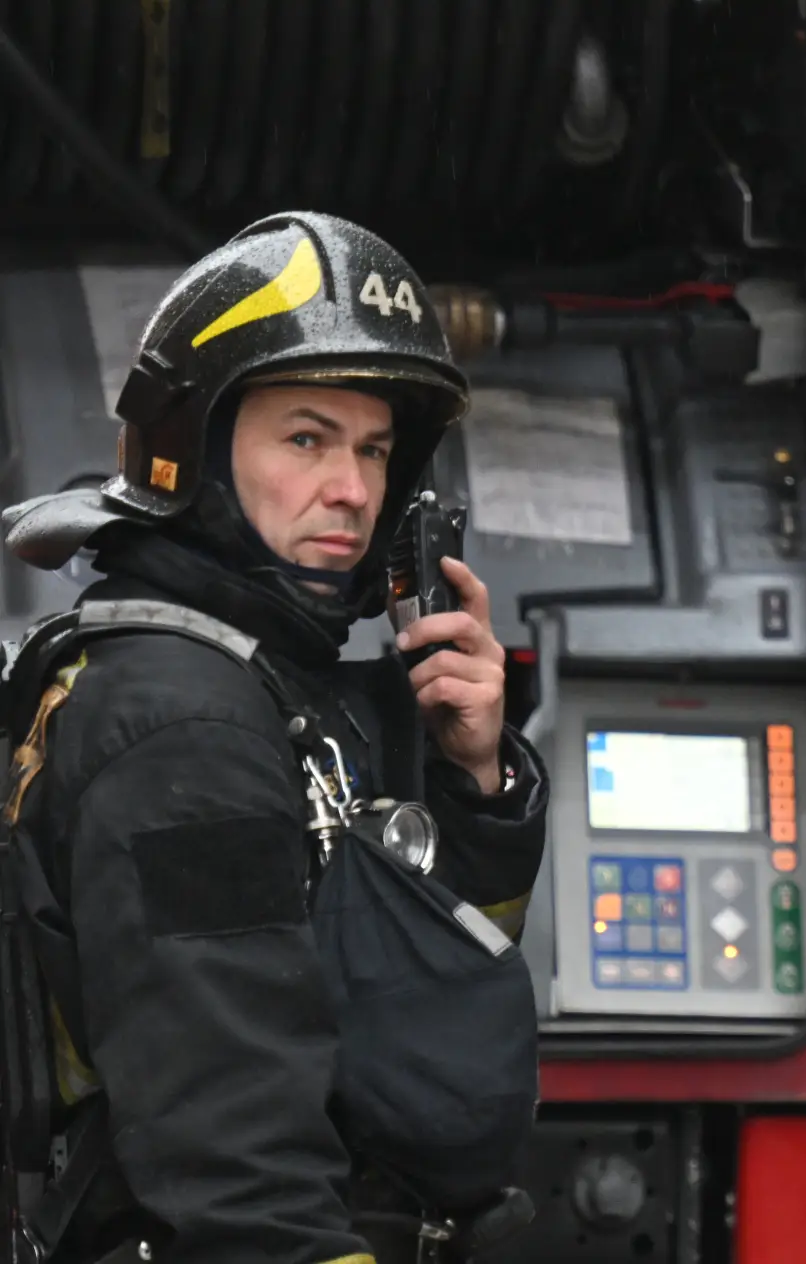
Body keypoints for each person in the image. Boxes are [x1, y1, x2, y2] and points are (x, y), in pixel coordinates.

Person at [0, 212, 548, 1263]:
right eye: (306, 439)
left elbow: (416, 1009)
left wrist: (472, 780)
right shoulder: (184, 728)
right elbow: (236, 1162)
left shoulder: (266, 687)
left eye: (374, 450)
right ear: (193, 453)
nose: (353, 490)